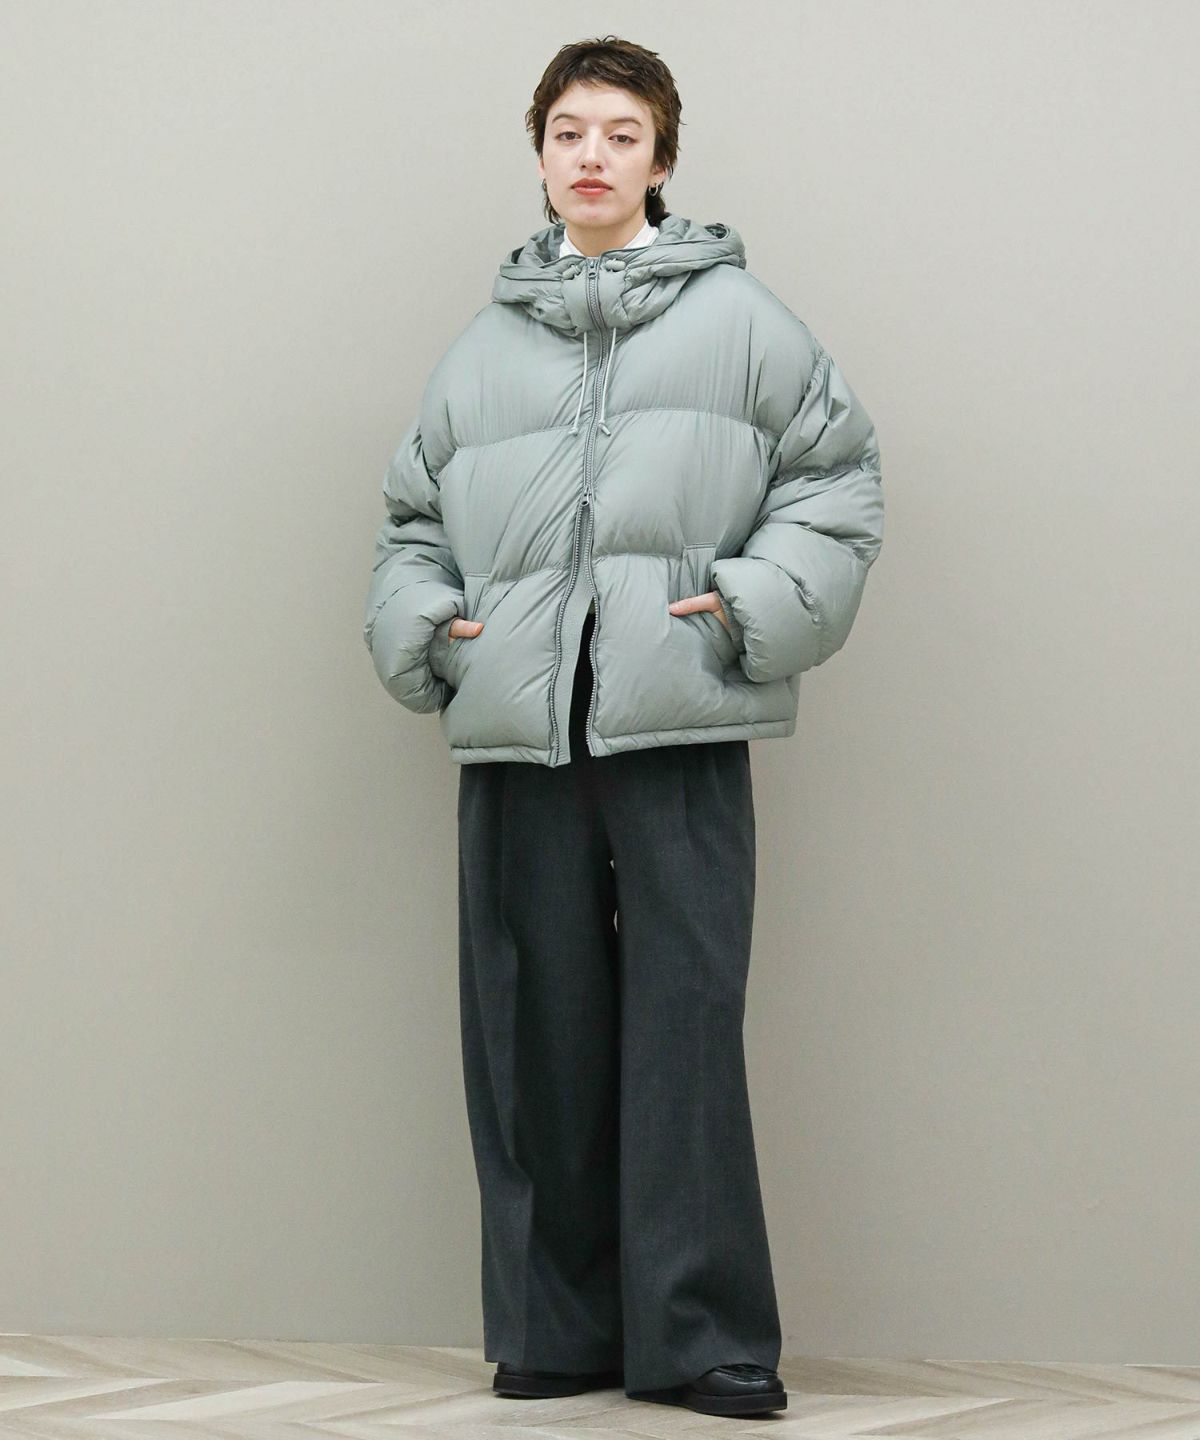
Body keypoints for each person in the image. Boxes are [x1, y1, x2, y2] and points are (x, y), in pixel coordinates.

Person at [363, 34, 884, 1419]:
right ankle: (556, 1329)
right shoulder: (481, 347)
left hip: (679, 718)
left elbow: (837, 482)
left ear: (661, 159)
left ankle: (700, 1338)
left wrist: (748, 607)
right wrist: (429, 627)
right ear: (540, 155)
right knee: (528, 1026)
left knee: (685, 1028)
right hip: (521, 729)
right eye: (569, 133)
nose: (591, 156)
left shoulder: (745, 321)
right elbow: (413, 521)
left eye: (621, 134)